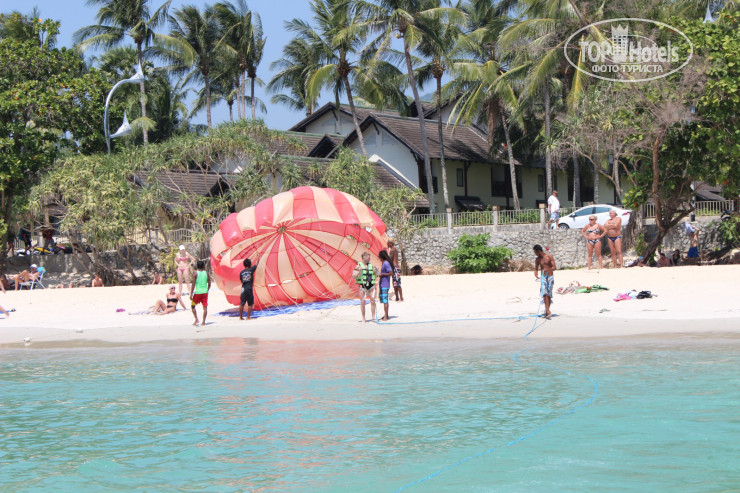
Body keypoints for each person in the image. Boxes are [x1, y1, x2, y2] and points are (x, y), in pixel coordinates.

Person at [352, 252, 378, 323]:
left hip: (371, 285)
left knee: (373, 301)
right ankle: (363, 318)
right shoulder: (358, 266)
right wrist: (358, 271)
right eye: (368, 257)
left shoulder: (371, 266)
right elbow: (353, 276)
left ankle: (373, 317)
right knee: (363, 302)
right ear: (364, 258)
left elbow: (376, 276)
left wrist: (375, 271)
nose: (369, 259)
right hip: (362, 286)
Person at [533, 244, 556, 320]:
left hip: (550, 277)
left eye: (535, 252)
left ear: (539, 251)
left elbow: (554, 267)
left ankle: (547, 310)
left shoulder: (549, 256)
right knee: (544, 292)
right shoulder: (537, 259)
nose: (535, 254)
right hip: (543, 277)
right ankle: (548, 310)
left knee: (549, 294)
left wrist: (548, 269)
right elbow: (536, 268)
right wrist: (536, 273)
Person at [190, 260, 211, 326]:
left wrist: (191, 293)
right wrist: (207, 289)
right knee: (205, 307)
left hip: (198, 292)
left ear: (197, 266)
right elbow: (209, 282)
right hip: (205, 292)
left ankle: (196, 319)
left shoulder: (195, 273)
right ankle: (203, 322)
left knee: (193, 306)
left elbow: (193, 284)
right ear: (203, 266)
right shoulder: (206, 273)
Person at [378, 250, 393, 321]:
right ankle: (386, 315)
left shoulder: (386, 263)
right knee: (383, 300)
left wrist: (382, 274)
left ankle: (386, 317)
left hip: (385, 284)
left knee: (385, 300)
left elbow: (391, 273)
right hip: (382, 284)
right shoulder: (384, 263)